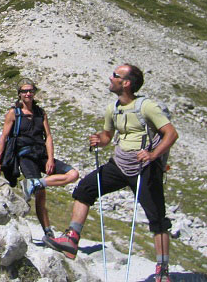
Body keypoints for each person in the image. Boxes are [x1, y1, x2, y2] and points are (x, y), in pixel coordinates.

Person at [44, 64, 178, 282]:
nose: (111, 77)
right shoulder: (113, 108)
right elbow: (107, 137)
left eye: (115, 76)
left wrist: (153, 156)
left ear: (126, 83)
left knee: (157, 218)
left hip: (145, 166)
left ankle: (162, 271)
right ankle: (71, 238)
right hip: (120, 162)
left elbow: (171, 134)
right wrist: (99, 139)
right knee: (85, 189)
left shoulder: (147, 107)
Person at [0, 78, 79, 239]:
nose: (28, 93)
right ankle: (47, 231)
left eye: (31, 90)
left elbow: (49, 137)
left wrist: (51, 158)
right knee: (41, 194)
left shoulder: (40, 113)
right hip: (25, 156)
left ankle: (35, 183)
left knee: (73, 174)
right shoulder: (13, 113)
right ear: (19, 94)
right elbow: (4, 137)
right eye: (24, 91)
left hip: (42, 155)